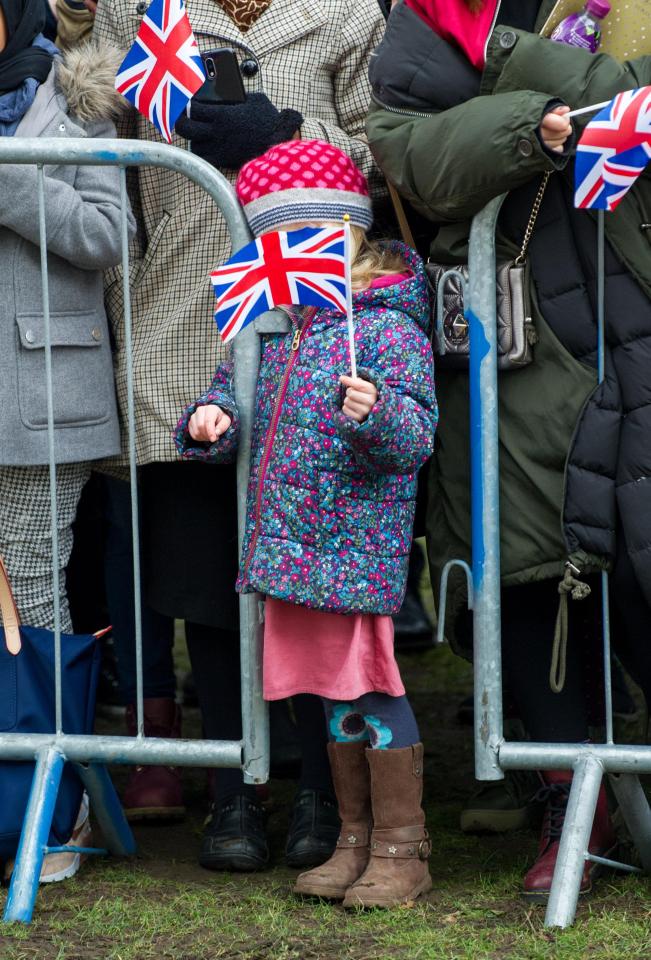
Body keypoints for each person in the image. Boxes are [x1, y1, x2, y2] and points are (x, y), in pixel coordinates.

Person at [92, 0, 387, 870]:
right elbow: (93, 123)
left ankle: (317, 794)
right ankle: (233, 790)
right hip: (181, 325)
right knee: (208, 587)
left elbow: (386, 152)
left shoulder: (347, 10)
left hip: (309, 329)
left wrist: (291, 132)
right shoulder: (137, 9)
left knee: (304, 578)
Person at [367, 0, 651, 900]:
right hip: (510, 340)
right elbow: (414, 154)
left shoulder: (495, 27)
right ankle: (572, 808)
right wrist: (535, 125)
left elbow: (627, 98)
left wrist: (501, 56)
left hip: (632, 308)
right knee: (526, 573)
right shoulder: (439, 9)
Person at [174, 138, 438, 906]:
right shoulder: (269, 332)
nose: (290, 257)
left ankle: (400, 845)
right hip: (289, 553)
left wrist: (376, 412)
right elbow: (227, 398)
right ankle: (354, 837)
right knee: (328, 693)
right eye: (276, 244)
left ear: (344, 238)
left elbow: (413, 441)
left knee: (370, 687)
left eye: (306, 242)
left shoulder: (386, 330)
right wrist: (211, 420)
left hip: (351, 551)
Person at [0, 0, 133, 882]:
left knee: (34, 583)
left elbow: (106, 235)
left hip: (41, 390)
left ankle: (52, 805)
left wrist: (7, 177)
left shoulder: (78, 94)